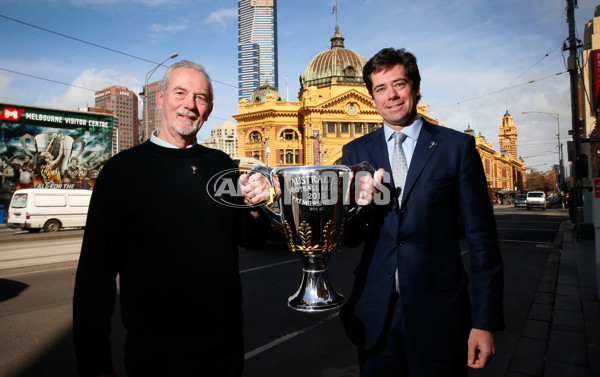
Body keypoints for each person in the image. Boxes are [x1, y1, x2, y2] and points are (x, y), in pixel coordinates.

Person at [73, 60, 269, 377]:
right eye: (181, 93)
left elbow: (251, 239)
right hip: (155, 358)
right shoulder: (122, 172)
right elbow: (94, 278)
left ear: (208, 109)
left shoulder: (221, 165)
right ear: (161, 98)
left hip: (225, 353)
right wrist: (95, 366)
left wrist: (256, 206)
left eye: (200, 98)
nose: (190, 105)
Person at [339, 48, 504, 376]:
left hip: (440, 315)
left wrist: (484, 322)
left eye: (399, 84)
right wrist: (360, 208)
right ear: (372, 97)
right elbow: (350, 238)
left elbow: (483, 240)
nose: (392, 96)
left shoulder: (456, 147)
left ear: (415, 87)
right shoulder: (355, 151)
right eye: (381, 89)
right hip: (376, 317)